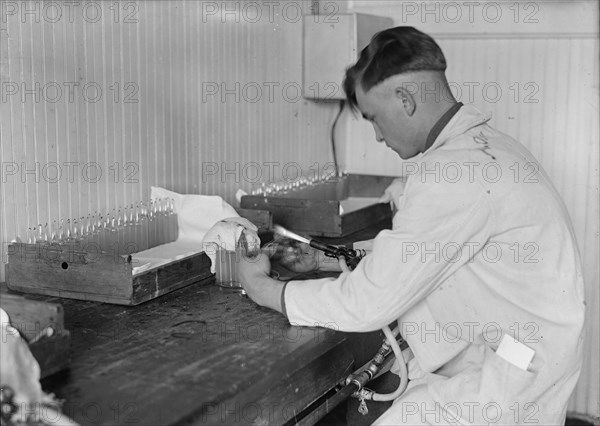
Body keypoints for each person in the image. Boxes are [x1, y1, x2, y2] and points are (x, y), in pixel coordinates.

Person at [238, 26, 585, 425]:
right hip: (515, 352)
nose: (378, 135)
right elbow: (428, 252)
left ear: (404, 99)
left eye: (374, 118)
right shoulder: (486, 148)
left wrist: (263, 289)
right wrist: (327, 260)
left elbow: (368, 303)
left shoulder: (452, 173)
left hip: (507, 377)